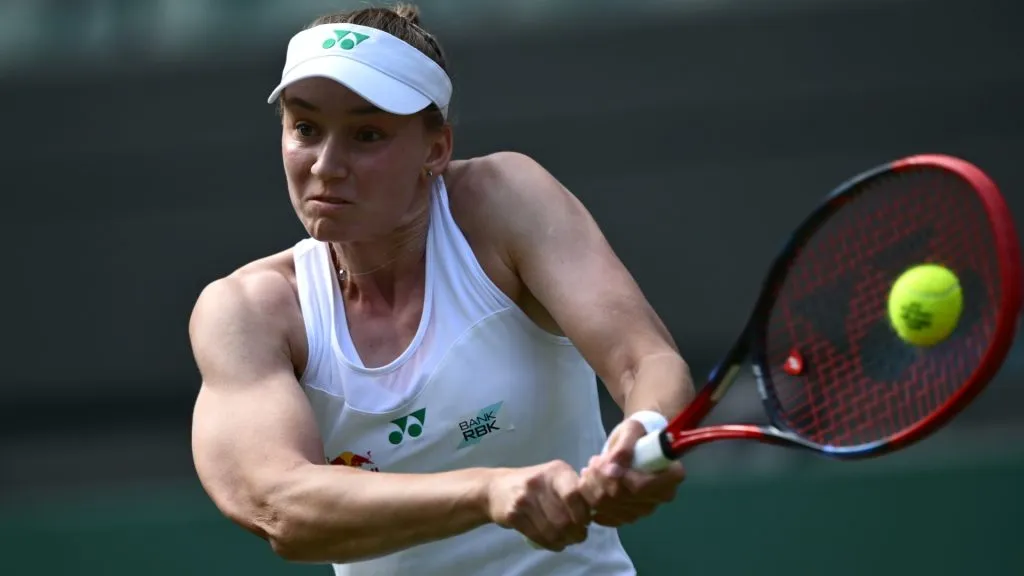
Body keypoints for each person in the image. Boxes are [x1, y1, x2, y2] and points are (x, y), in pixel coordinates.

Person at [188, 3, 694, 574]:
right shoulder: (248, 311)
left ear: (436, 149)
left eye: (367, 133)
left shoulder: (504, 202)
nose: (326, 165)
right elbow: (281, 505)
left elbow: (645, 360)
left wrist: (645, 433)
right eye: (305, 128)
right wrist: (488, 493)